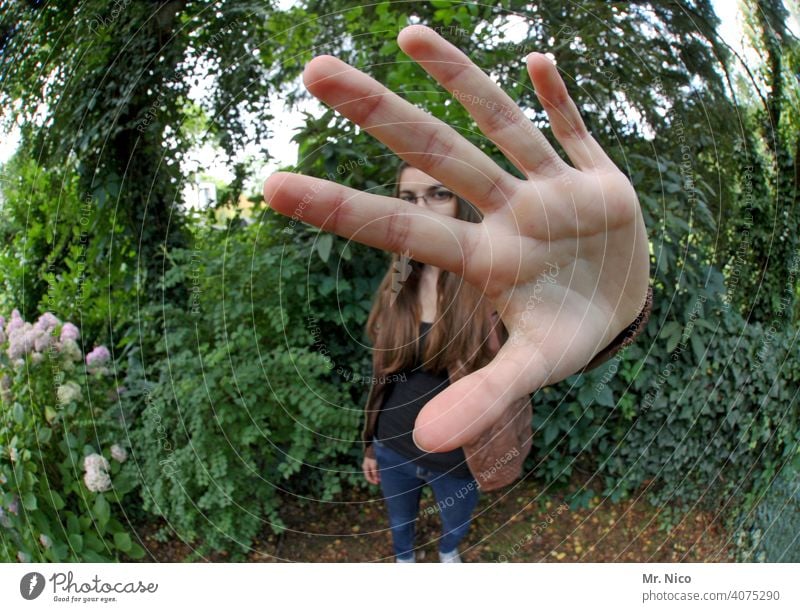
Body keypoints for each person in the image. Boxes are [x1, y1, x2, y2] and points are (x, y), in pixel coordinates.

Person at [263, 24, 653, 561]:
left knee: (451, 542)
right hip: (394, 449)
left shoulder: (502, 285)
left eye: (438, 193)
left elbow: (551, 342)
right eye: (409, 197)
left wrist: (618, 311)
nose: (423, 207)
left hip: (462, 457)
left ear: (462, 204)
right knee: (401, 540)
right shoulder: (393, 289)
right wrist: (369, 445)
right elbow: (383, 376)